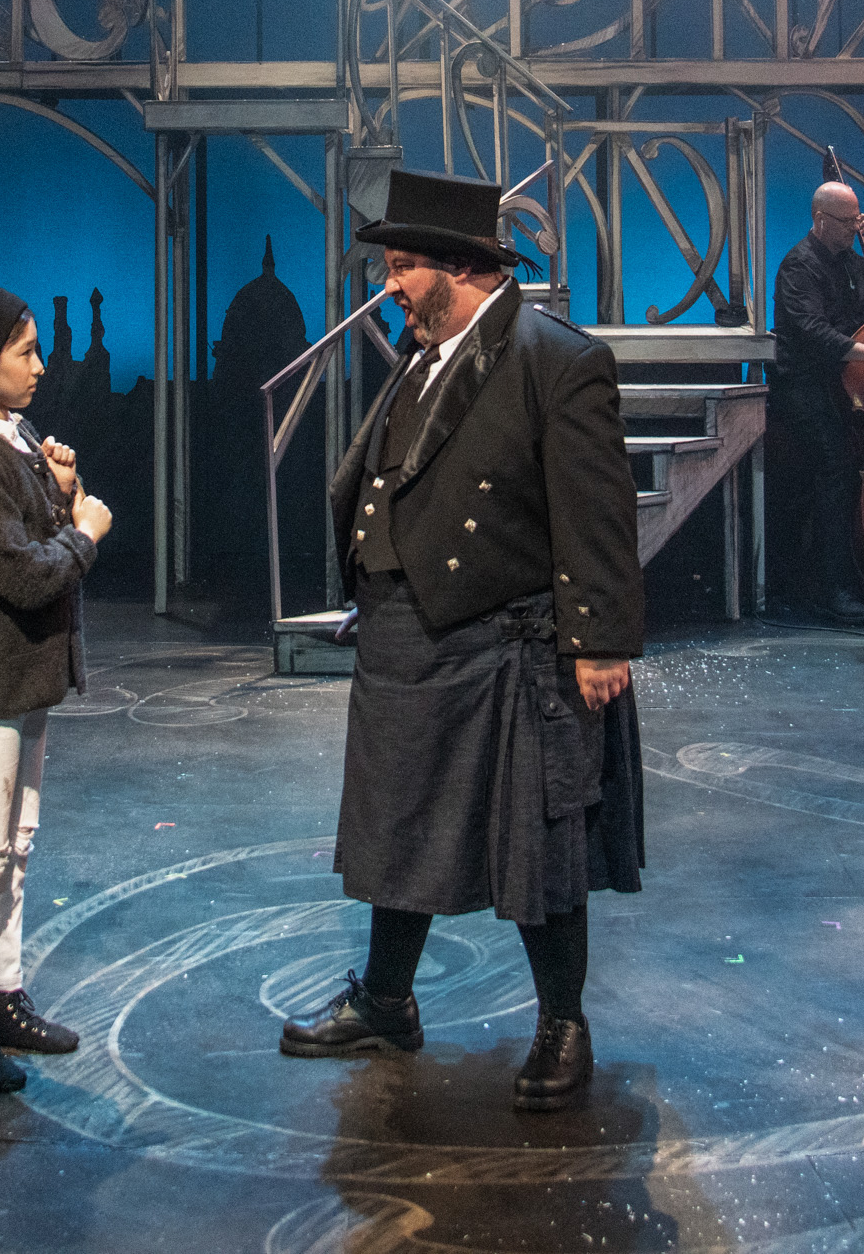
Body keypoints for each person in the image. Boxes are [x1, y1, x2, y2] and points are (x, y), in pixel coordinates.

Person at [278, 169, 643, 1113]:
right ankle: (387, 1000)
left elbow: (596, 509)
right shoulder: (426, 353)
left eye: (403, 266)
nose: (390, 285)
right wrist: (375, 583)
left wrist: (599, 639)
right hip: (409, 636)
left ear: (464, 266)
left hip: (505, 639)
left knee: (537, 841)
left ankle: (563, 1022)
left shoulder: (555, 358)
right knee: (398, 825)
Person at [0, 285, 114, 1094]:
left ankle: (1, 995)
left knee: (16, 842)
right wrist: (86, 532)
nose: (40, 365)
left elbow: (35, 541)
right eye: (24, 351)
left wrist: (62, 494)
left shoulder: (16, 436)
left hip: (23, 671)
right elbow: (24, 573)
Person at [769, 178, 864, 623]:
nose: (854, 229)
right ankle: (834, 587)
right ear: (820, 220)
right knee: (837, 471)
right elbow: (814, 332)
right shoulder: (799, 265)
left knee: (852, 469)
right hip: (804, 385)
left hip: (844, 384)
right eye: (847, 222)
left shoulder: (852, 259)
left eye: (857, 220)